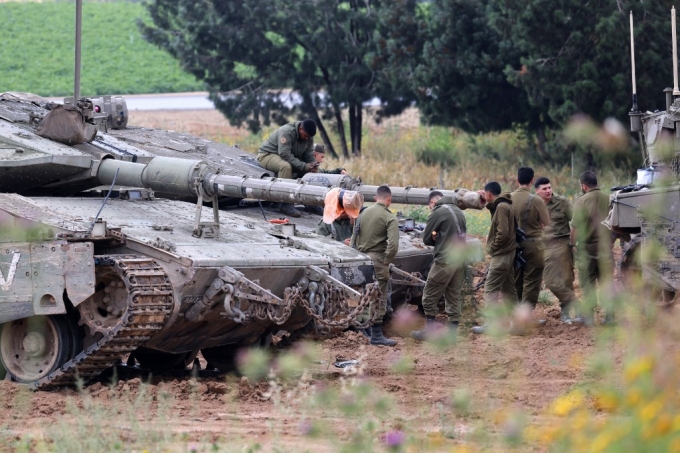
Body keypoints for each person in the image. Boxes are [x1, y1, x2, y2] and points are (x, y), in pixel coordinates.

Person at [410, 191, 467, 342]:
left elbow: (427, 239)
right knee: (453, 295)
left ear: (433, 203)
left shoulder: (438, 212)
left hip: (445, 260)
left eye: (430, 206)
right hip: (460, 260)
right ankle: (453, 334)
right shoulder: (458, 211)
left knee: (429, 294)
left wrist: (435, 238)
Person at [350, 185, 399, 346]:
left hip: (363, 259)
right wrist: (387, 260)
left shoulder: (363, 213)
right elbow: (393, 245)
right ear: (389, 199)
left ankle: (364, 327)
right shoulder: (389, 217)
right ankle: (376, 335)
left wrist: (355, 256)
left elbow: (353, 237)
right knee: (379, 297)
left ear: (376, 197)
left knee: (365, 295)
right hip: (378, 259)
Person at [472, 182, 518, 334]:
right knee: (509, 290)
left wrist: (492, 246)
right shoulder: (503, 205)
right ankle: (518, 324)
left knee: (490, 288)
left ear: (489, 194)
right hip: (507, 254)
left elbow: (503, 233)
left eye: (485, 194)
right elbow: (496, 214)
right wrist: (486, 202)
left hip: (502, 255)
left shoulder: (502, 207)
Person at [570, 171, 613, 323]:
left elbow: (575, 227)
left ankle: (589, 318)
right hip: (605, 247)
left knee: (587, 283)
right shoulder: (609, 198)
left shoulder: (581, 201)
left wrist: (572, 244)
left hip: (587, 249)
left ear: (584, 186)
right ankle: (610, 316)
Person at [534, 177, 579, 323]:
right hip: (544, 246)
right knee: (551, 281)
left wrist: (575, 242)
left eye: (549, 187)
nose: (548, 191)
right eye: (544, 189)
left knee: (566, 280)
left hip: (562, 244)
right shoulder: (533, 204)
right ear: (537, 191)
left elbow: (576, 221)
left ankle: (566, 314)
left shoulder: (562, 202)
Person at [257, 119, 318, 217]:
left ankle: (311, 202)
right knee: (285, 167)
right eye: (305, 136)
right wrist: (303, 166)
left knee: (310, 171)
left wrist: (312, 165)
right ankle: (284, 202)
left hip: (285, 155)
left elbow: (308, 153)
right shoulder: (287, 132)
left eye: (309, 137)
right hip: (268, 154)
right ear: (300, 129)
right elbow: (284, 154)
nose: (307, 138)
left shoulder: (308, 136)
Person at [511, 167, 550, 308]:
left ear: (517, 180)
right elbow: (546, 222)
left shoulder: (508, 198)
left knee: (517, 281)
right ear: (532, 180)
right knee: (532, 281)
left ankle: (516, 313)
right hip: (534, 246)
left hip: (514, 246)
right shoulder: (536, 200)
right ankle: (526, 315)